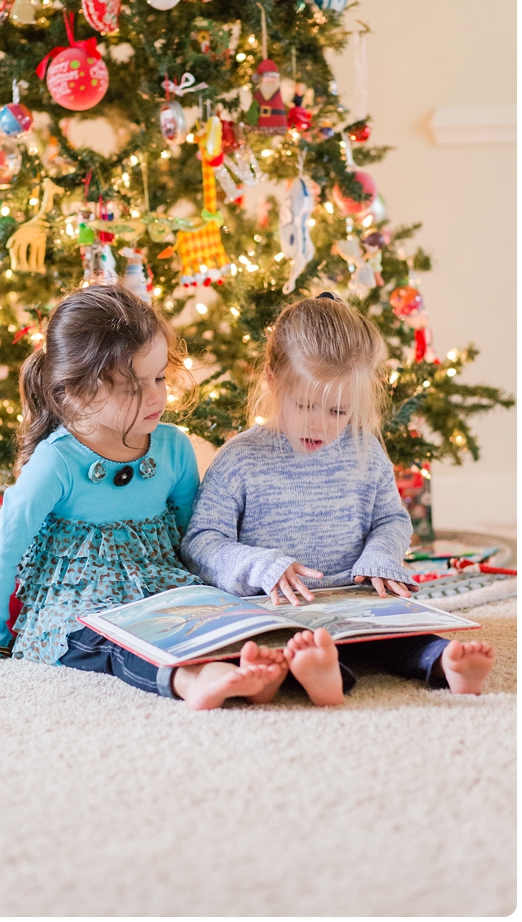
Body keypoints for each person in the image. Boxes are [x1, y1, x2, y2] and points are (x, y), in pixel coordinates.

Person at [0, 285, 287, 709]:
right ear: (79, 392)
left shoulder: (172, 448)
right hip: (79, 602)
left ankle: (243, 670)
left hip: (161, 586)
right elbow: (2, 549)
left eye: (159, 378)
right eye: (134, 388)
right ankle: (189, 680)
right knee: (110, 643)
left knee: (208, 616)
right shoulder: (56, 462)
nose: (157, 396)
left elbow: (195, 537)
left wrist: (222, 597)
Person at [181, 293, 495, 706]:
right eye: (306, 405)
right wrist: (261, 565)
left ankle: (446, 664)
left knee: (404, 637)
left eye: (338, 412)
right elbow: (201, 543)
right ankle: (324, 673)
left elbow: (392, 520)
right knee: (273, 652)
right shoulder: (239, 459)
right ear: (273, 380)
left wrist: (381, 556)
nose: (320, 425)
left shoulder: (366, 451)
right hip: (275, 610)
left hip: (356, 604)